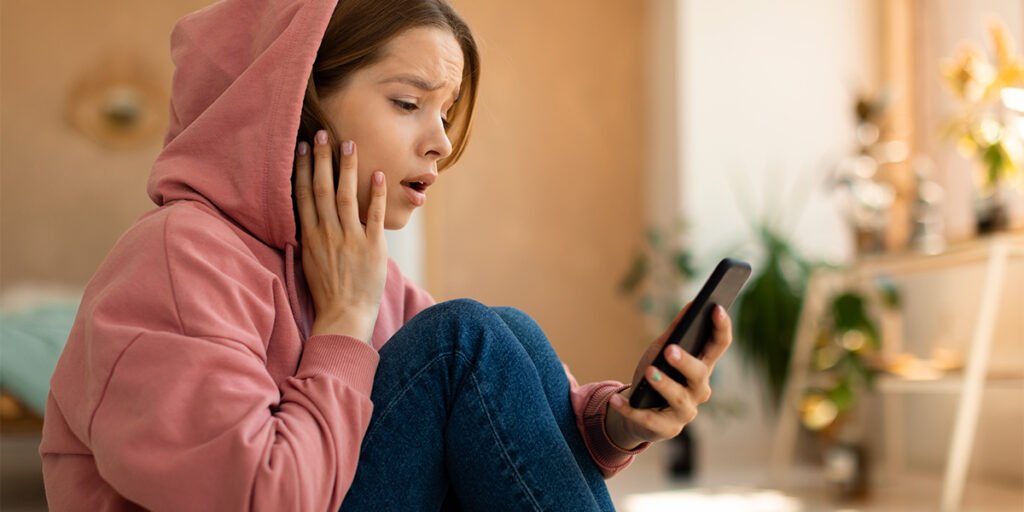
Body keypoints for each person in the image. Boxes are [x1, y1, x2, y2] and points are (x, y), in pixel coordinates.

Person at [39, 0, 734, 510]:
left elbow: (509, 447)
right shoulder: (174, 259)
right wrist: (343, 321)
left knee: (504, 332)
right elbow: (261, 498)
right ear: (297, 105)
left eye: (446, 110)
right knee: (465, 341)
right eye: (409, 102)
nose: (439, 141)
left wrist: (616, 422)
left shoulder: (356, 268)